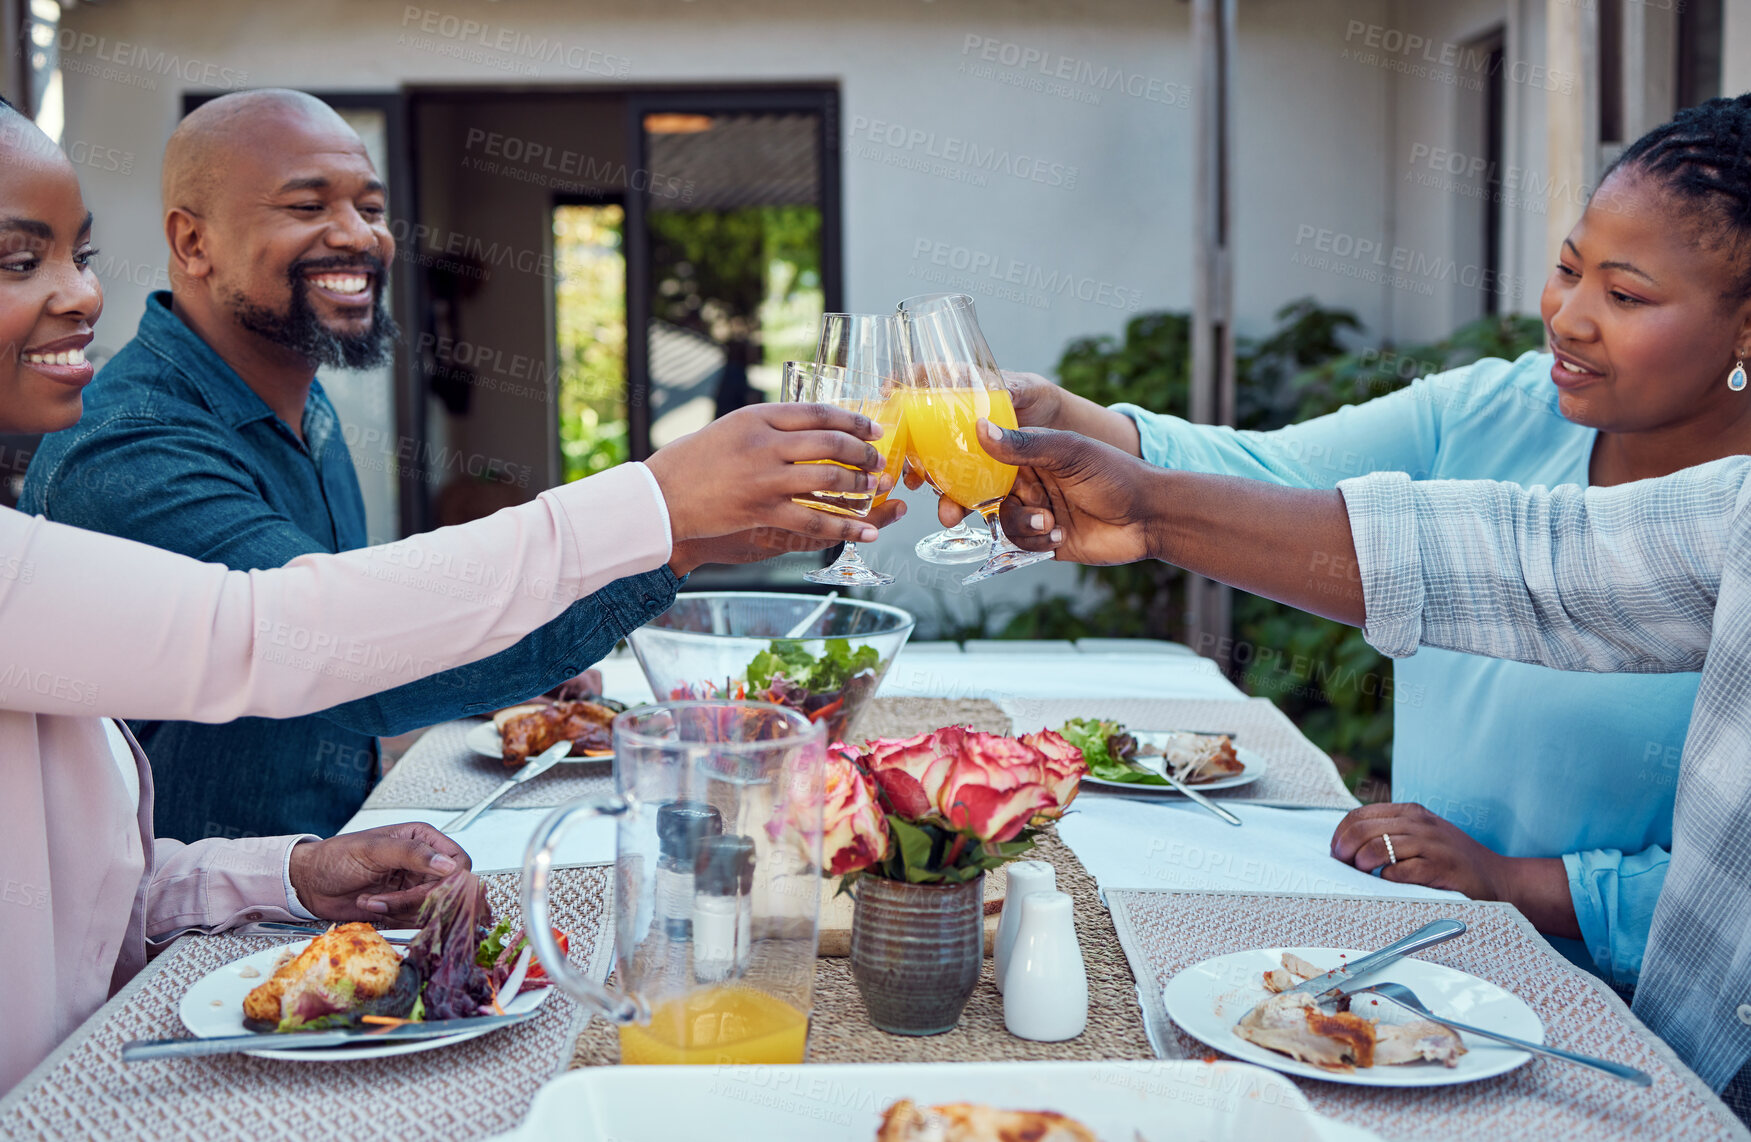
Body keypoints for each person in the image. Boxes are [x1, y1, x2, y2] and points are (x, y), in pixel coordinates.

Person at [0, 101, 896, 1091]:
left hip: (263, 928)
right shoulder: (125, 448)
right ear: (191, 240)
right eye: (17, 261)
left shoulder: (301, 404)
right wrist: (654, 502)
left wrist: (683, 540)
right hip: (164, 1020)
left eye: (370, 204)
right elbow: (299, 641)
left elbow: (104, 882)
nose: (81, 294)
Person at [935, 94, 1751, 989]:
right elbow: (1269, 485)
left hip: (1631, 1006)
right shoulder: (1501, 409)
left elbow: (1732, 885)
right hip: (1422, 956)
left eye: (1626, 294)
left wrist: (1517, 884)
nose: (1566, 316)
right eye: (1567, 268)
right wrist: (1078, 427)